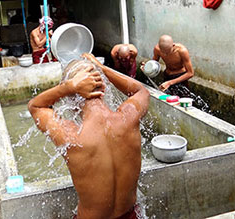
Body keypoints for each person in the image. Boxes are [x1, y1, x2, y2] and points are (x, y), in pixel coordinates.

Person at [28, 53, 150, 219]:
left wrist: (67, 87)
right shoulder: (128, 118)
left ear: (70, 101)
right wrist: (103, 69)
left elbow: (35, 106)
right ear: (104, 88)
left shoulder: (71, 137)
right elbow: (141, 90)